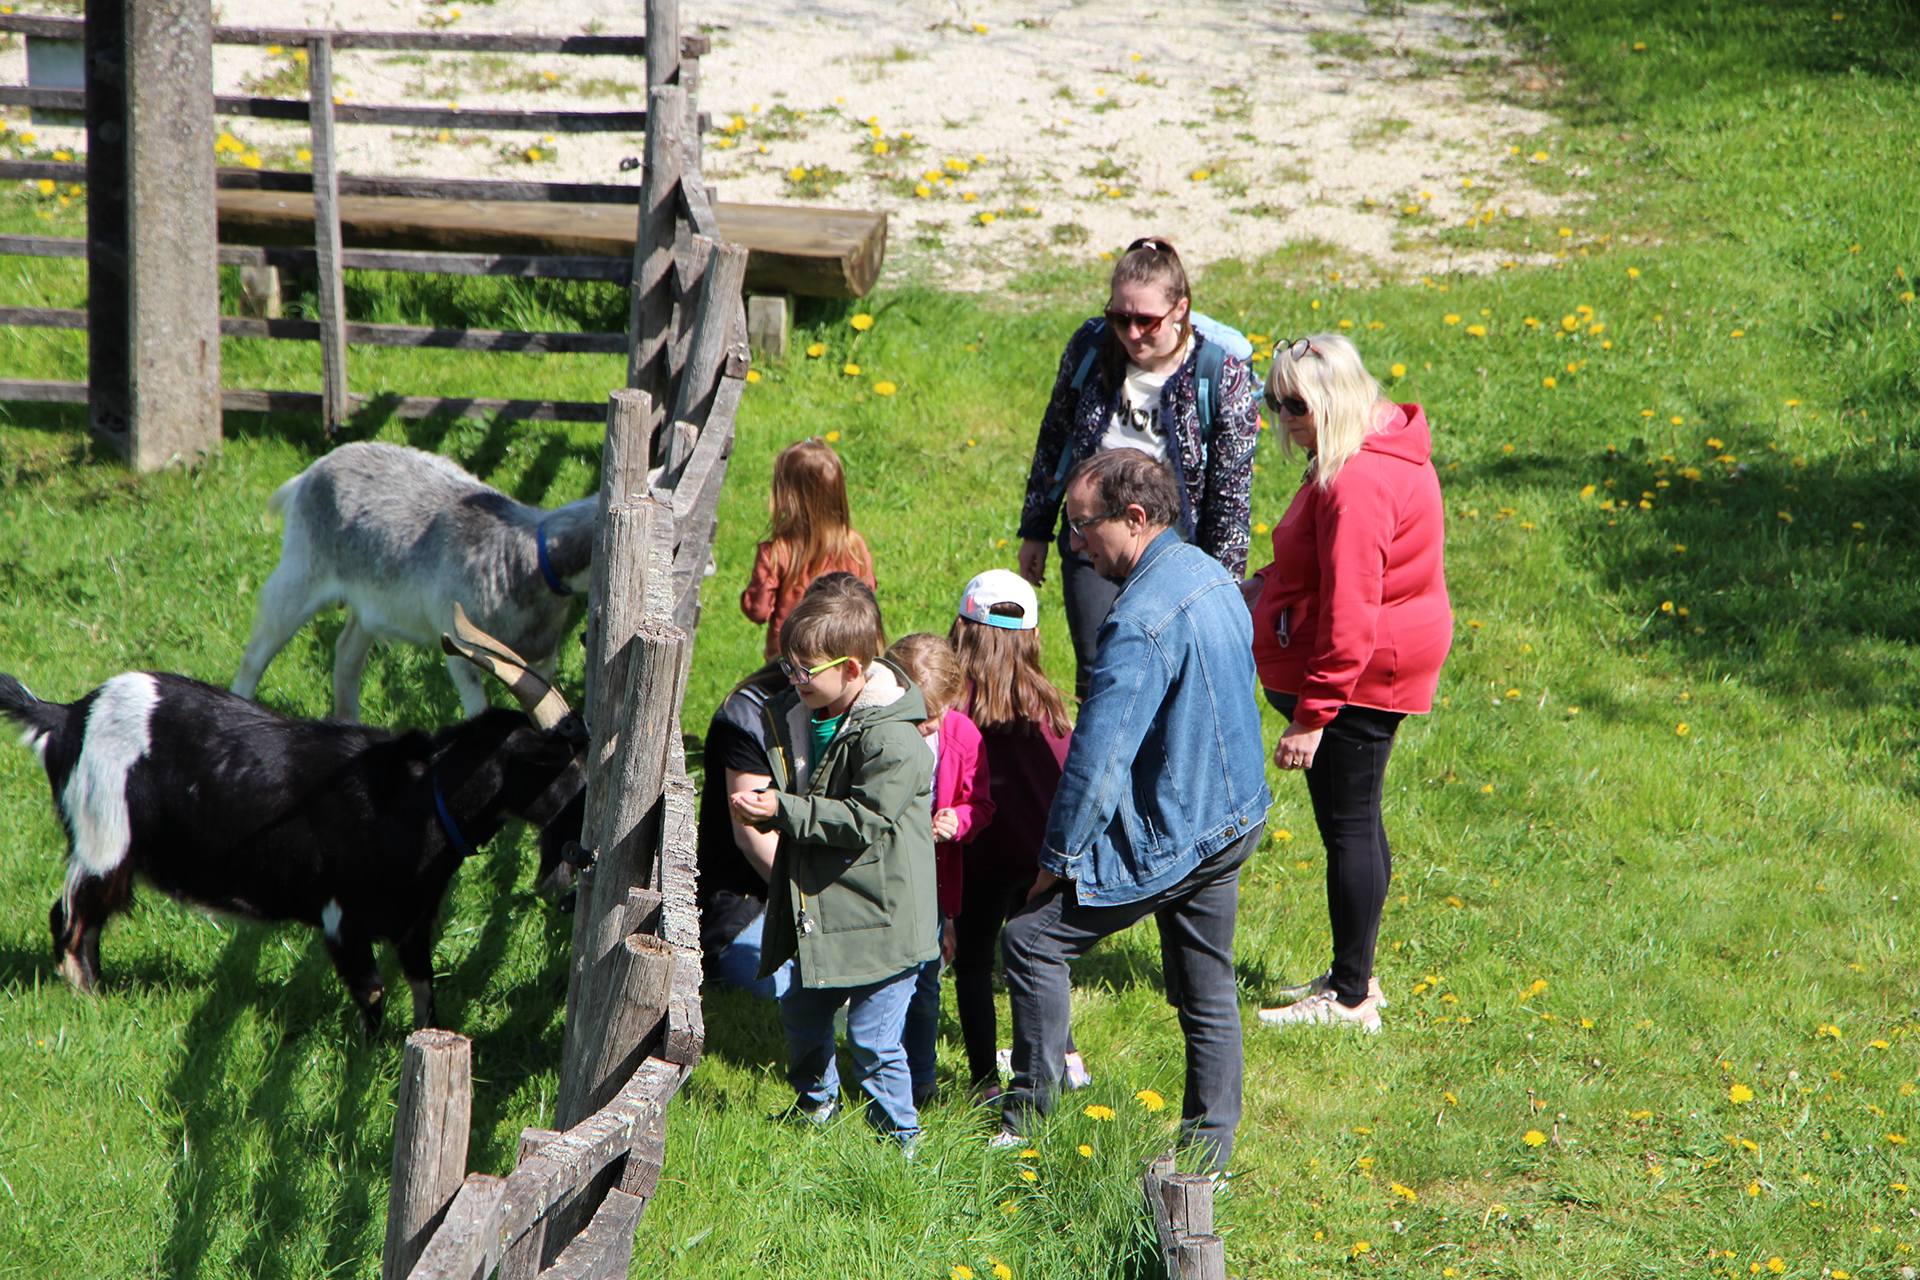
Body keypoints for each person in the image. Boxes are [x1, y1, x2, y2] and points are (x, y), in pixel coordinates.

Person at [994, 451, 1270, 1174]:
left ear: (1136, 518)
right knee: (1208, 987)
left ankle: (1029, 1125)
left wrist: (1056, 864)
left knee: (1029, 940)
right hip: (1235, 813)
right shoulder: (1211, 574)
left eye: (1084, 526)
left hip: (1181, 828)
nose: (1075, 544)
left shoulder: (1139, 621)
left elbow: (1097, 764)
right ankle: (1209, 1161)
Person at [1243, 334, 1452, 1034]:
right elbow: (1323, 566)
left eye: (1295, 405)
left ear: (1333, 399)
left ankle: (1351, 998)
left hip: (1366, 674)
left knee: (1350, 827)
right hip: (1375, 661)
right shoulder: (1369, 447)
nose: (1283, 418)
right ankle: (1352, 976)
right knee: (1355, 821)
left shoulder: (1357, 482)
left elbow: (1352, 610)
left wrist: (1312, 716)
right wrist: (1266, 587)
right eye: (1274, 401)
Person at [730, 586, 938, 1147]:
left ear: (850, 669)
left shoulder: (892, 738)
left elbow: (863, 820)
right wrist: (770, 809)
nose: (793, 678)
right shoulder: (806, 714)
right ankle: (816, 1104)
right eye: (788, 665)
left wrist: (782, 810)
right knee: (801, 1008)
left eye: (806, 669)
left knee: (872, 1040)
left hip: (888, 918)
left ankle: (899, 1143)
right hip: (828, 908)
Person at [1015, 236, 1261, 697]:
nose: (1131, 333)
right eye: (1119, 317)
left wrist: (1221, 592)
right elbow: (1054, 437)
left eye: (1146, 320)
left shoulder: (1219, 375)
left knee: (1169, 678)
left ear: (1180, 309)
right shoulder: (1091, 347)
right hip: (1091, 538)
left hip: (1174, 552)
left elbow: (1231, 499)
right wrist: (1036, 529)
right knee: (1100, 672)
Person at [697, 573, 883, 998]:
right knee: (774, 987)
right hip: (757, 892)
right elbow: (753, 839)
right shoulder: (749, 716)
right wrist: (825, 909)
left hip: (839, 880)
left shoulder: (871, 702)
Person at [946, 569, 1089, 1105]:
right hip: (1040, 862)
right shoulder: (1050, 702)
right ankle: (1067, 1061)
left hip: (978, 859)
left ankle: (984, 1081)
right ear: (1033, 637)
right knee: (1042, 961)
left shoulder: (953, 709)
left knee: (974, 964)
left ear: (962, 631)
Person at [886, 632, 994, 1109]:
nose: (922, 727)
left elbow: (981, 804)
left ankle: (921, 1079)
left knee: (926, 983)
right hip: (884, 871)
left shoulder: (963, 736)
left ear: (953, 699)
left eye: (930, 717)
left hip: (931, 877)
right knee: (885, 979)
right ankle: (881, 1067)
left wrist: (960, 820)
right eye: (912, 716)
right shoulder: (881, 729)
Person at [740, 437, 877, 660]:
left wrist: (751, 595)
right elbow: (867, 599)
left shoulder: (777, 553)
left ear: (788, 497)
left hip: (790, 662)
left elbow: (759, 611)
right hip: (840, 659)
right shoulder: (854, 546)